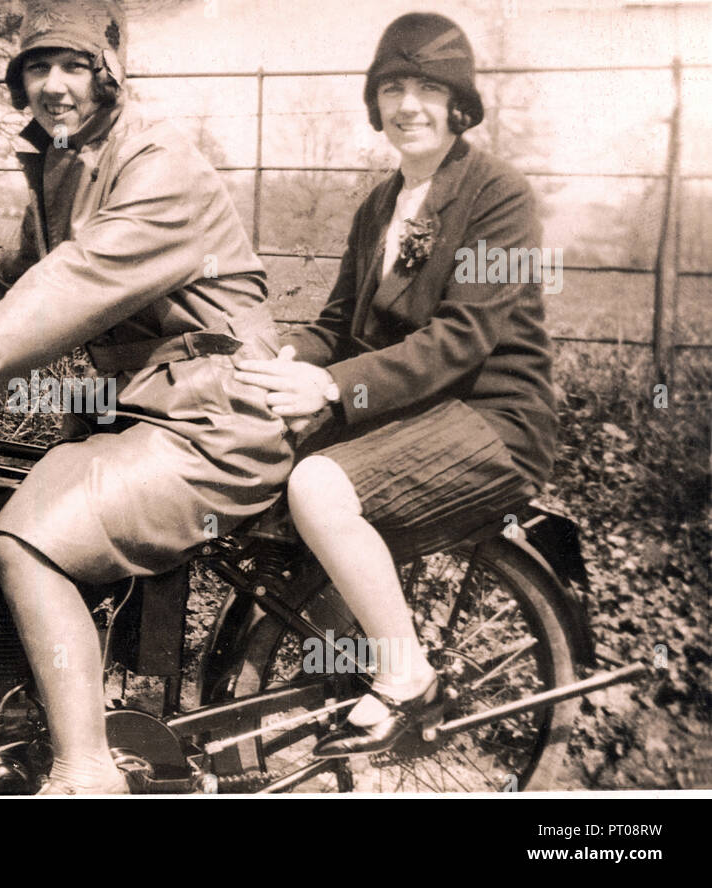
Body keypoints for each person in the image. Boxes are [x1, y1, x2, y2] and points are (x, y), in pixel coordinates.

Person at [0, 0, 293, 793]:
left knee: (29, 540)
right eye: (36, 68)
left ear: (109, 73)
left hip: (216, 419)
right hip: (146, 412)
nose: (53, 86)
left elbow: (74, 284)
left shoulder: (158, 163)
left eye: (73, 66)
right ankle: (20, 715)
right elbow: (2, 279)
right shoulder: (65, 160)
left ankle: (86, 772)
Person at [234, 12, 558, 757]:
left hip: (494, 419)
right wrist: (281, 357)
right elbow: (340, 323)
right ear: (375, 102)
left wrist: (331, 388)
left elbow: (463, 338)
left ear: (458, 105)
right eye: (392, 87)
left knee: (319, 486)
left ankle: (409, 679)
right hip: (415, 412)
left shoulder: (501, 196)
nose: (408, 104)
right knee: (246, 450)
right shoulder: (379, 204)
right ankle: (329, 670)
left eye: (427, 88)